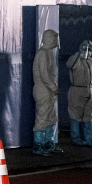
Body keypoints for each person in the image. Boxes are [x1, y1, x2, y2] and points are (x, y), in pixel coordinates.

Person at [32, 28, 60, 156]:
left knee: (51, 117)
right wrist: (53, 88)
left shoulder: (48, 52)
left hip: (48, 91)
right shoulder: (43, 53)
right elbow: (44, 75)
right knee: (43, 117)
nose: (55, 40)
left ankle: (48, 143)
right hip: (43, 90)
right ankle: (38, 145)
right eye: (54, 38)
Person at [66, 39, 92, 147]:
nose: (87, 51)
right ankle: (76, 138)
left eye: (89, 48)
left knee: (89, 116)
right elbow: (70, 64)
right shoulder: (75, 60)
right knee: (75, 115)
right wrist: (79, 53)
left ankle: (89, 138)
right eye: (85, 48)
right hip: (76, 90)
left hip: (90, 91)